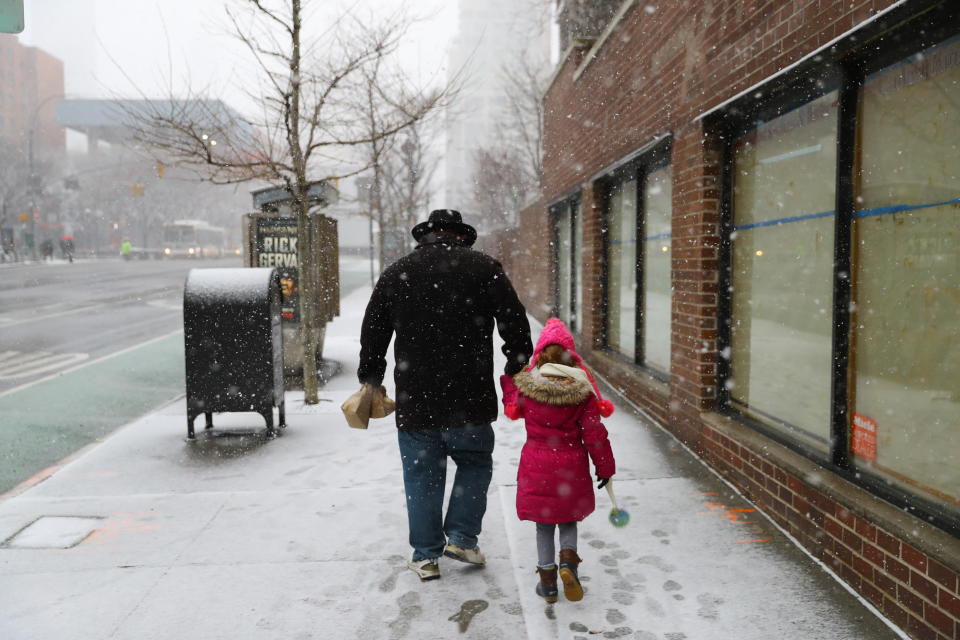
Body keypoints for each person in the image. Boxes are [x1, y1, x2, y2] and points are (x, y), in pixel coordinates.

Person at [359, 209, 532, 581]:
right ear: (462, 237)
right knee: (474, 463)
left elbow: (373, 328)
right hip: (470, 396)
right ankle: (463, 539)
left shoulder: (397, 272)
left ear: (424, 237)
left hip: (416, 398)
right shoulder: (485, 269)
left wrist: (370, 376)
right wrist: (516, 364)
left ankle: (425, 556)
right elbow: (514, 319)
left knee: (422, 476)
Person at [500, 318, 616, 603]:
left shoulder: (528, 388)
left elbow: (512, 408)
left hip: (536, 464)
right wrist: (605, 468)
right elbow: (595, 435)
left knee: (543, 524)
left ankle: (548, 583)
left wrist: (509, 379)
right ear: (571, 356)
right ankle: (568, 563)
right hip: (570, 465)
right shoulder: (582, 392)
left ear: (540, 355)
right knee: (568, 518)